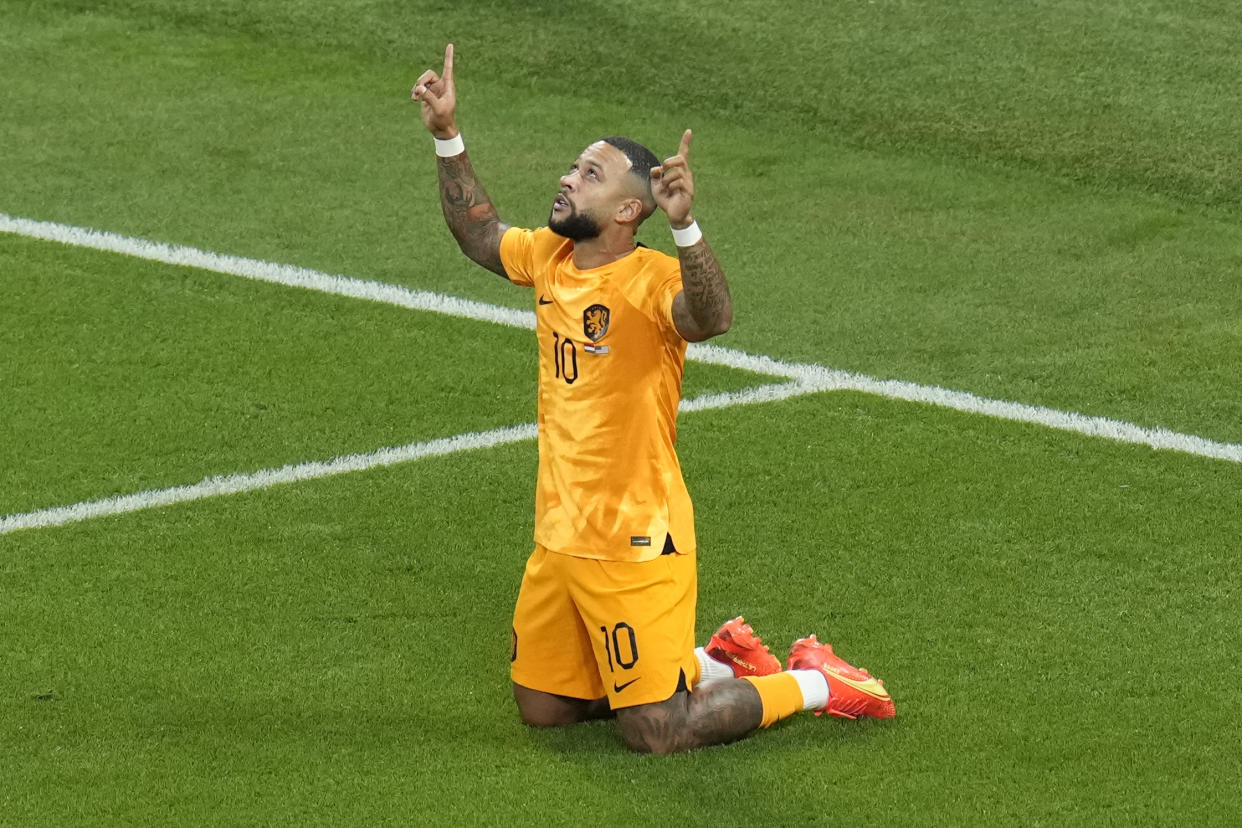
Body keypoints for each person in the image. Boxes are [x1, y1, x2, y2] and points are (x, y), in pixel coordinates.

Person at [412, 44, 895, 754]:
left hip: (636, 539)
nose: (567, 178)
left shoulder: (650, 280)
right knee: (544, 711)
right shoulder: (550, 254)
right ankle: (709, 661)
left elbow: (712, 317)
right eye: (574, 167)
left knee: (657, 732)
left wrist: (686, 226)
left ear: (630, 208)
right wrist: (447, 135)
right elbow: (480, 233)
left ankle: (818, 681)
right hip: (560, 534)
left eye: (589, 174)